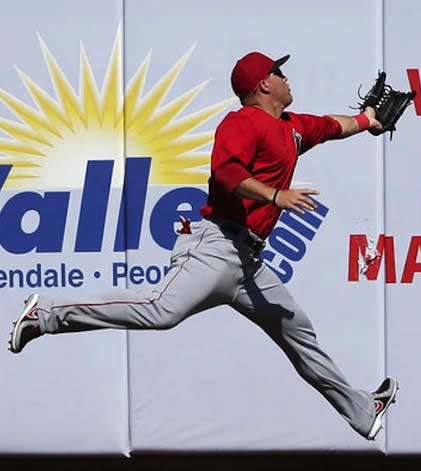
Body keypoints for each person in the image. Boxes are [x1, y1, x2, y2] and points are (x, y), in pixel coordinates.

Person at [8, 51, 398, 440]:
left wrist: (368, 120)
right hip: (216, 244)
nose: (286, 77)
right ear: (264, 84)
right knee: (161, 311)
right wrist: (276, 196)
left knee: (296, 328)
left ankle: (363, 410)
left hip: (248, 261)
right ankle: (44, 313)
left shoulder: (292, 127)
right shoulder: (243, 121)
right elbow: (226, 172)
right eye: (279, 72)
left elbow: (334, 125)